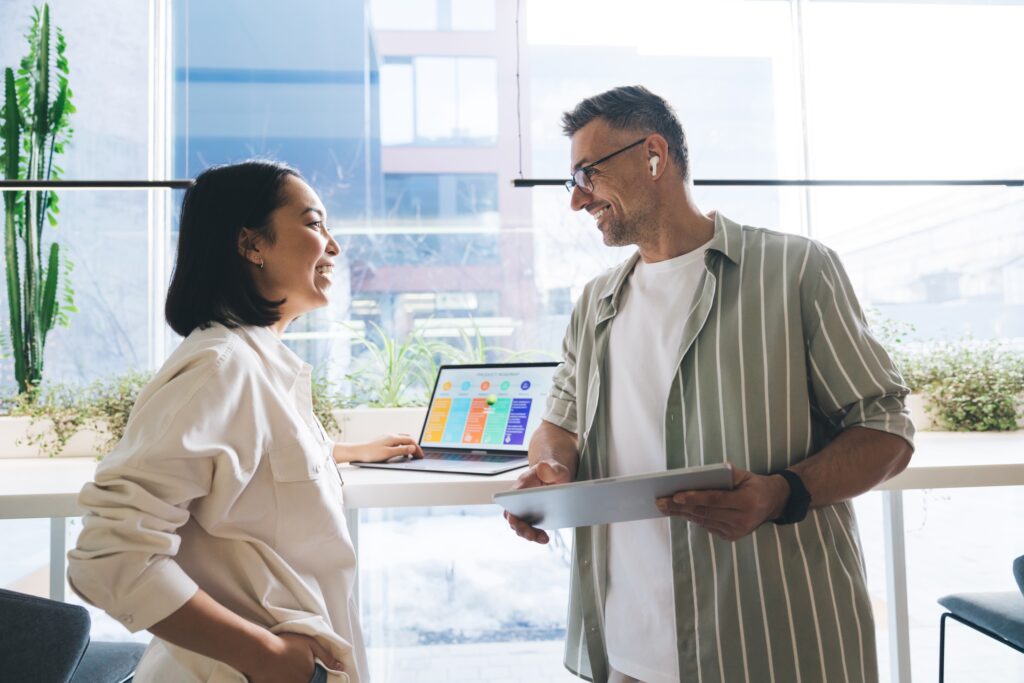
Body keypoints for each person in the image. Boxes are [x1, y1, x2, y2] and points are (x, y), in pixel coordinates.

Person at [505, 86, 915, 683]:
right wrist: (550, 474)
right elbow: (559, 425)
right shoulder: (596, 302)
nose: (578, 200)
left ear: (653, 154)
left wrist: (780, 493)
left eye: (587, 174)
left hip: (775, 652)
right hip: (626, 652)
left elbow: (886, 431)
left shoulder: (797, 270)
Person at [67, 160, 423, 683]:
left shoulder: (257, 364)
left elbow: (245, 470)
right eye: (314, 222)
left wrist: (337, 453)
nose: (333, 245)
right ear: (251, 245)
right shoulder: (220, 367)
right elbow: (109, 553)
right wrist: (261, 655)